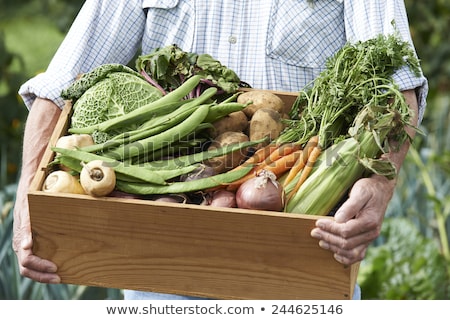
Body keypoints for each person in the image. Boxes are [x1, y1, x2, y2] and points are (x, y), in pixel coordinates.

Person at [14, 0, 427, 300]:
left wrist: (379, 183)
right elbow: (57, 91)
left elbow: (398, 89)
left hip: (300, 267)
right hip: (158, 270)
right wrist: (25, 208)